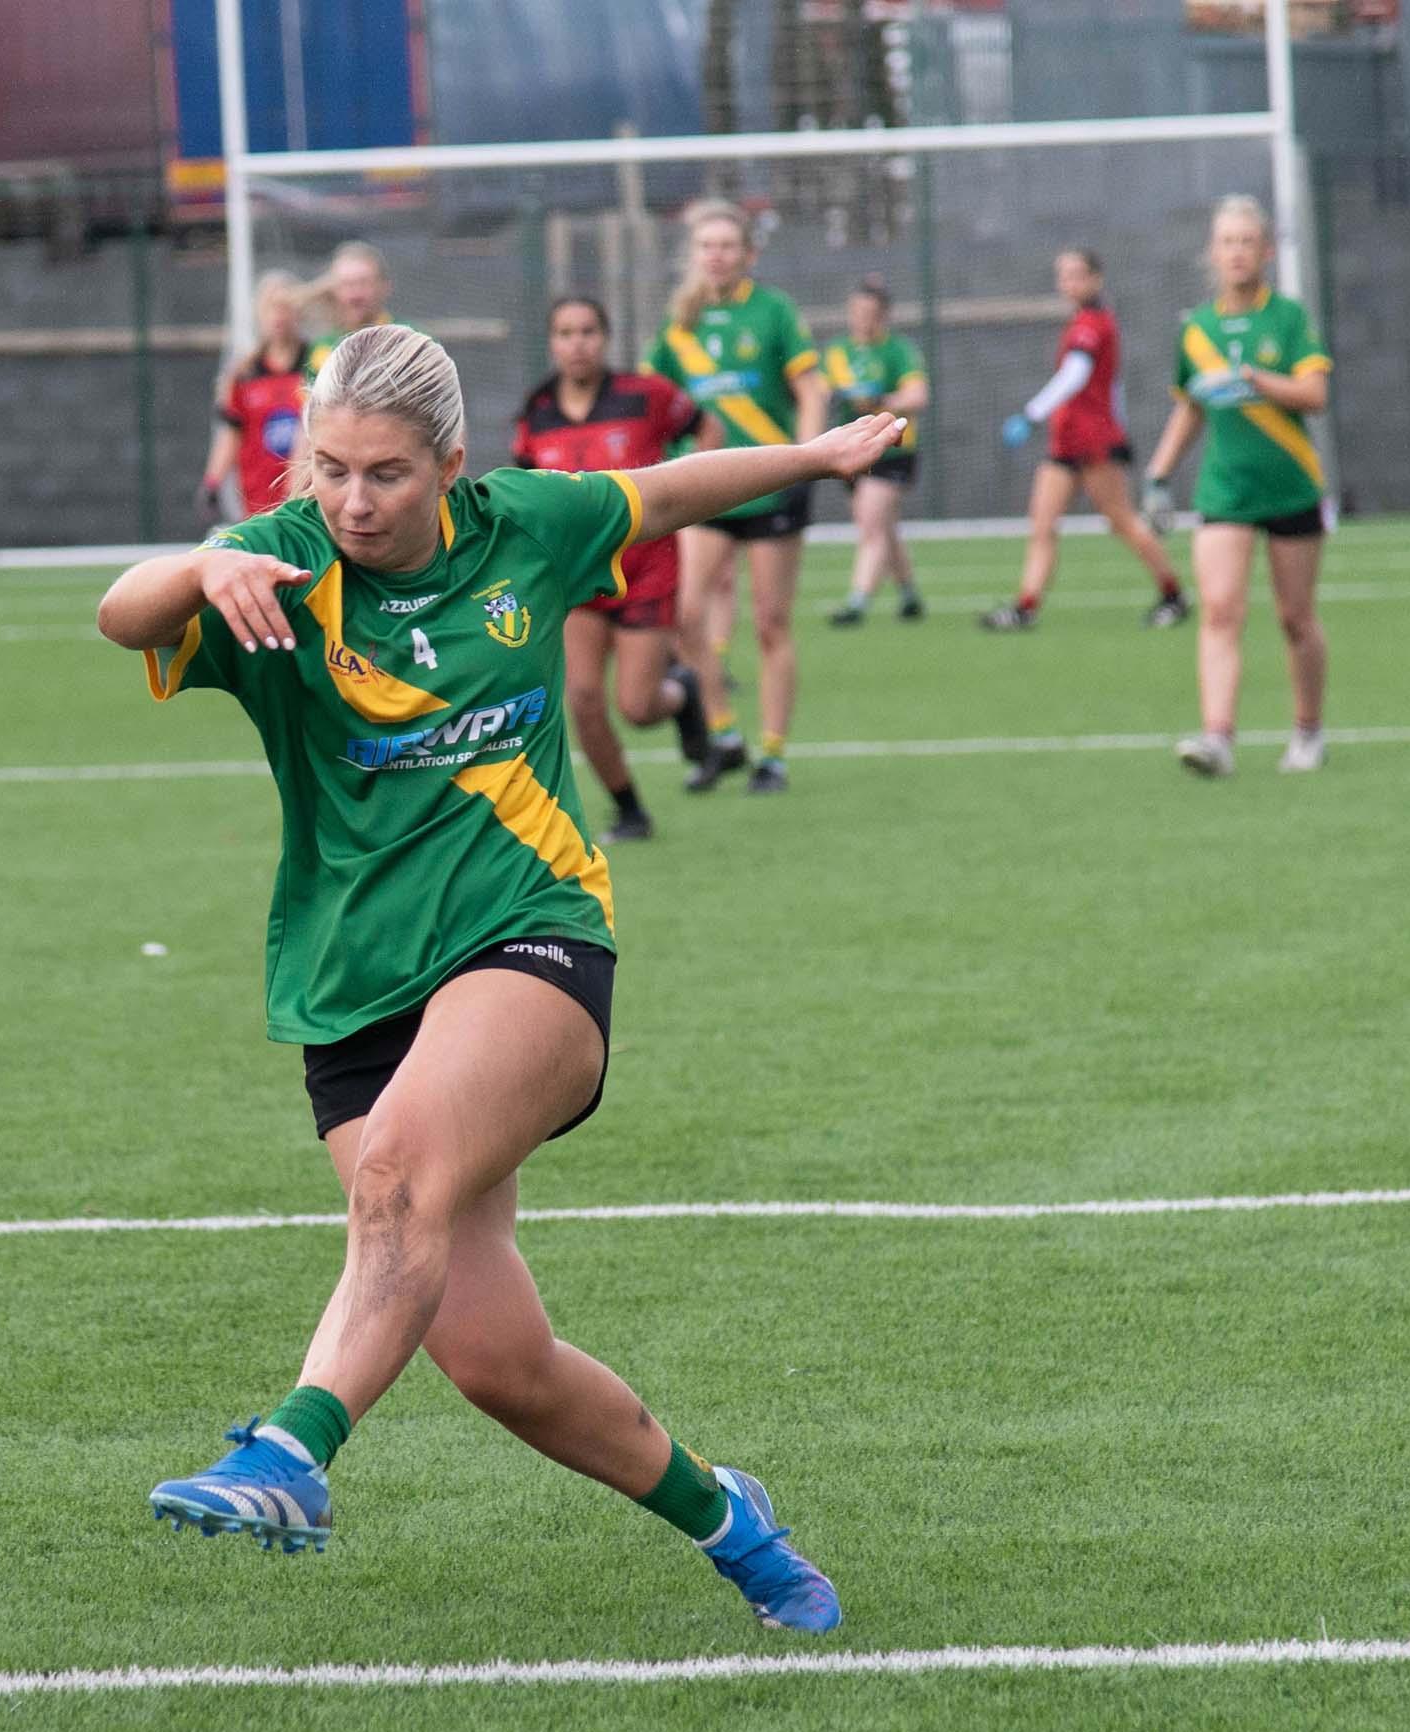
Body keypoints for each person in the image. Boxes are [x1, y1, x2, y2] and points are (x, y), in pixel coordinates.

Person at [97, 324, 894, 1630]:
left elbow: (675, 488)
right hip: (357, 982)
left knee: (397, 1174)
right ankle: (728, 1518)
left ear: (451, 466)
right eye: (329, 468)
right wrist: (197, 569)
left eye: (386, 475)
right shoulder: (276, 561)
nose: (351, 501)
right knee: (496, 1361)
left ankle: (290, 1451)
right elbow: (119, 613)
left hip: (531, 935)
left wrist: (821, 452)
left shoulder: (528, 526)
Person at [638, 200, 827, 794]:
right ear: (693, 255)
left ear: (748, 254)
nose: (716, 255)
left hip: (771, 485)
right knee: (686, 618)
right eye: (706, 246)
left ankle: (773, 753)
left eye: (727, 245)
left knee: (771, 623)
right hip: (704, 492)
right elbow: (650, 400)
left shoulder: (773, 312)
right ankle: (724, 735)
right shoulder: (678, 324)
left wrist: (809, 458)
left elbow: (811, 387)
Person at [511, 295, 716, 839]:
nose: (577, 343)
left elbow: (708, 432)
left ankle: (682, 696)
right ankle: (629, 808)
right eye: (564, 332)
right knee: (580, 697)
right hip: (577, 577)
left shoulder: (646, 395)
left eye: (587, 331)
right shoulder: (535, 412)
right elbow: (527, 496)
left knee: (639, 705)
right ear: (552, 342)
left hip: (646, 568)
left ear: (605, 338)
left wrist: (692, 507)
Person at [1143, 196, 1333, 776]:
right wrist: (1157, 475)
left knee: (1295, 619)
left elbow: (1315, 396)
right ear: (1213, 252)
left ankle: (1308, 731)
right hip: (1224, 491)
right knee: (1220, 611)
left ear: (1266, 251)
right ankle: (1217, 740)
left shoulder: (1289, 319)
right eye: (1226, 242)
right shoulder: (1196, 329)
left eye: (1247, 241)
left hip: (1291, 485)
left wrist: (1256, 379)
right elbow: (1190, 409)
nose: (1236, 252)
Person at [983, 249, 1187, 633]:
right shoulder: (1082, 322)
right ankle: (1025, 607)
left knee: (1121, 521)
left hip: (1093, 441)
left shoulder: (1091, 325)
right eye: (1064, 275)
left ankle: (1173, 594)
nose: (1069, 283)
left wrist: (1031, 414)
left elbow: (1076, 375)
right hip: (1066, 441)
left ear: (1096, 278)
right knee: (1042, 523)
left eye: (1077, 274)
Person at [821, 280, 930, 626]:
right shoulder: (838, 352)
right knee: (883, 527)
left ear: (883, 316)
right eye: (856, 312)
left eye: (870, 313)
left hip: (892, 449)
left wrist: (882, 402)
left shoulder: (898, 350)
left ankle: (857, 602)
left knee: (870, 525)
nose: (862, 320)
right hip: (852, 450)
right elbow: (820, 392)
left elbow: (917, 396)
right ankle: (909, 593)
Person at [198, 272, 311, 522]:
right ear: (259, 313)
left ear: (299, 312)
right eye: (271, 307)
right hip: (258, 495)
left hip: (307, 494)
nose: (279, 316)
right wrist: (212, 482)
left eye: (286, 307)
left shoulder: (317, 363)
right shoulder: (244, 373)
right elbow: (231, 432)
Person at [302, 241, 401, 377]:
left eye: (364, 283)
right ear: (335, 290)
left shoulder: (408, 340)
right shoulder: (322, 349)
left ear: (384, 286)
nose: (355, 295)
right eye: (346, 284)